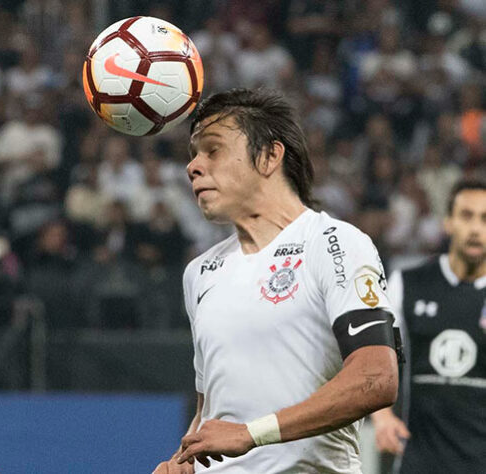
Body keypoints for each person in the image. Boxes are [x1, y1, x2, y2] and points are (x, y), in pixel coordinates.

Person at [153, 88, 402, 474]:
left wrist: (253, 434)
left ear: (270, 156)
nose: (193, 167)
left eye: (212, 150)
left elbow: (376, 377)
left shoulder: (334, 243)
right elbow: (211, 412)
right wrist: (181, 462)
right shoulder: (199, 272)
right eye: (193, 155)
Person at [371, 180, 486, 473]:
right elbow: (374, 354)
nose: (475, 228)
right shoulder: (407, 284)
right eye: (466, 216)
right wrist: (382, 417)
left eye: (485, 219)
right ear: (448, 223)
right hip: (416, 460)